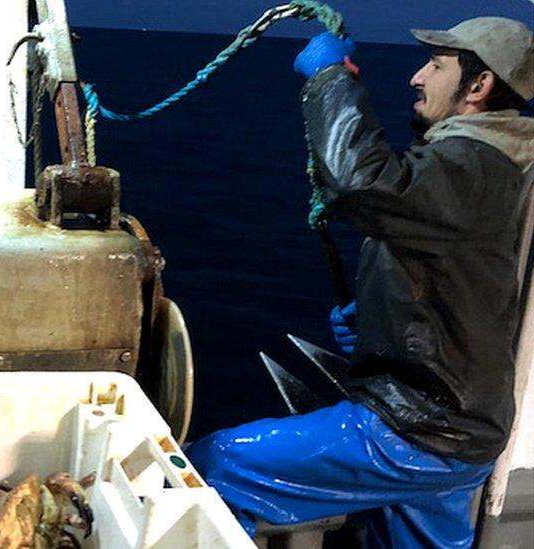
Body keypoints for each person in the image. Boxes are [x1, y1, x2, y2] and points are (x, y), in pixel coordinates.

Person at [187, 17, 534, 548]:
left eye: (436, 66)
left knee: (216, 464)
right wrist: (381, 322)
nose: (416, 76)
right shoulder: (496, 167)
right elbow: (460, 280)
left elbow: (361, 181)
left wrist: (330, 78)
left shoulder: (472, 163)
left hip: (413, 432)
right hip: (462, 434)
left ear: (478, 86)